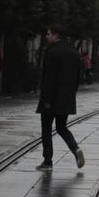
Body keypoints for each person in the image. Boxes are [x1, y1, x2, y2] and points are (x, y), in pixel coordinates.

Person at [36, 27, 85, 171]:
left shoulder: (52, 53)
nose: (46, 36)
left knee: (46, 129)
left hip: (51, 98)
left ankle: (47, 161)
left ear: (56, 35)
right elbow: (77, 78)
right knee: (62, 128)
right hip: (67, 98)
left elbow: (49, 78)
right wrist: (71, 94)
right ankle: (76, 149)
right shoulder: (74, 53)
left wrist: (46, 99)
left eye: (48, 34)